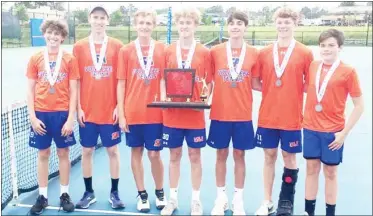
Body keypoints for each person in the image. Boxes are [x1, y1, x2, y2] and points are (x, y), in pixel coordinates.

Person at [252, 7, 314, 216]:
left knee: (289, 157)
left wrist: (292, 91)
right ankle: (267, 201)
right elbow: (255, 81)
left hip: (292, 118)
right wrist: (272, 90)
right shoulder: (264, 52)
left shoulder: (305, 52)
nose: (283, 25)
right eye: (280, 21)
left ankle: (286, 200)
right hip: (268, 116)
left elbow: (310, 83)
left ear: (295, 24)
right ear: (275, 24)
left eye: (288, 22)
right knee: (268, 156)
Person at [302, 29, 364, 216]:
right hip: (311, 129)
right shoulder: (313, 66)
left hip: (333, 133)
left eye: (331, 45)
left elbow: (359, 106)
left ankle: (330, 213)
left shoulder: (348, 71)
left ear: (340, 47)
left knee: (330, 173)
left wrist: (343, 133)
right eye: (323, 45)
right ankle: (308, 212)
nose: (326, 49)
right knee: (311, 170)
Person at [159, 6, 212, 216]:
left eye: (188, 23)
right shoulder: (168, 50)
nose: (184, 26)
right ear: (177, 25)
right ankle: (172, 199)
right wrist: (163, 96)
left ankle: (196, 201)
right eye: (181, 23)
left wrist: (205, 99)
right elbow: (163, 78)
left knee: (195, 156)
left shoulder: (205, 52)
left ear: (195, 26)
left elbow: (210, 82)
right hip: (172, 113)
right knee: (174, 156)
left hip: (194, 114)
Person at [207, 11, 261, 215]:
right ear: (227, 27)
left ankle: (238, 199)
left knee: (240, 155)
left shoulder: (255, 53)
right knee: (221, 155)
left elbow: (256, 83)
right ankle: (221, 198)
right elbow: (208, 81)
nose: (236, 26)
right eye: (232, 23)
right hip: (220, 113)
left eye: (240, 23)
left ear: (245, 27)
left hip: (242, 115)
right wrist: (200, 100)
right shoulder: (215, 51)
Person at [72, 6, 125, 209]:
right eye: (95, 17)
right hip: (87, 111)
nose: (99, 21)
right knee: (87, 151)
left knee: (113, 151)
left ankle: (115, 192)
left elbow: (122, 79)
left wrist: (119, 106)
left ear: (108, 21)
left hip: (109, 111)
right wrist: (78, 108)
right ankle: (88, 192)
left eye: (102, 18)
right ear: (89, 19)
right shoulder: (78, 47)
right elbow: (75, 81)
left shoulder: (118, 46)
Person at [117, 9, 167, 213]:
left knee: (155, 154)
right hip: (133, 112)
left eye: (148, 23)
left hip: (155, 113)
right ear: (135, 25)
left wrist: (164, 103)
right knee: (136, 151)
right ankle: (142, 194)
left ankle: (160, 191)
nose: (144, 26)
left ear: (153, 25)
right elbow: (121, 83)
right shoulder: (125, 51)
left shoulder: (163, 49)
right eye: (141, 23)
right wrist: (121, 113)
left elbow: (164, 79)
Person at [26, 19, 78, 214]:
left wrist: (71, 117)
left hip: (62, 114)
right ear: (44, 34)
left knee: (63, 153)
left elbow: (74, 91)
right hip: (41, 114)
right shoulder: (36, 58)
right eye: (50, 32)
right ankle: (43, 196)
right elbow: (30, 90)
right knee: (43, 154)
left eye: (57, 34)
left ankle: (64, 194)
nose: (53, 36)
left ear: (63, 37)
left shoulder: (70, 59)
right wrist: (32, 116)